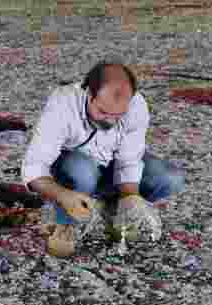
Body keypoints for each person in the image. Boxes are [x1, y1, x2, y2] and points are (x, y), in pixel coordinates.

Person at [22, 60, 186, 256]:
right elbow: (34, 166)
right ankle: (66, 223)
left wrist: (130, 197)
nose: (109, 121)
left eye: (118, 115)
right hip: (72, 169)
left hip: (109, 165)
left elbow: (130, 159)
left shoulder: (136, 105)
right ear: (89, 93)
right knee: (82, 171)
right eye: (102, 112)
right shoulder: (63, 102)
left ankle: (114, 210)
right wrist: (62, 195)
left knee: (169, 178)